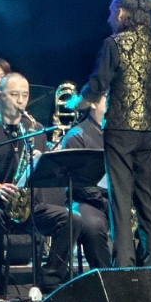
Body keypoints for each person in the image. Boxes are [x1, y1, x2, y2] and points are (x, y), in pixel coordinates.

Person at [67, 0, 151, 269]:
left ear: (122, 12)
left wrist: (77, 103)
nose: (109, 18)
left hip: (120, 129)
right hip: (150, 130)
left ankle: (125, 267)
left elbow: (97, 85)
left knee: (121, 200)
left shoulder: (113, 43)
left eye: (111, 12)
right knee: (150, 201)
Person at [0, 72, 70, 294]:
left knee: (71, 219)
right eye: (14, 94)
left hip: (29, 206)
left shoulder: (36, 130)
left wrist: (40, 164)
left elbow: (46, 177)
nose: (20, 101)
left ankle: (49, 280)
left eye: (25, 95)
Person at [58, 92, 113, 269]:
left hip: (115, 198)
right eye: (108, 99)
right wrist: (107, 204)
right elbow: (80, 183)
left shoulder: (120, 134)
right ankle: (105, 276)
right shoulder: (76, 136)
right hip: (86, 200)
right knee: (92, 226)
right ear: (94, 104)